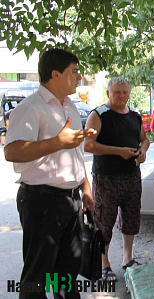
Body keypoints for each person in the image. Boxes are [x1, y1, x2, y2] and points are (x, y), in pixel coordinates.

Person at [4, 49, 97, 299]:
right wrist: (56, 142)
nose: (79, 77)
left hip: (71, 200)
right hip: (41, 202)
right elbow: (11, 151)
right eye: (74, 72)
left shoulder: (71, 108)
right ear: (55, 74)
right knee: (37, 275)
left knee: (65, 275)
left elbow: (75, 153)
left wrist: (85, 189)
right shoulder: (30, 108)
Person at [84, 77, 150, 282]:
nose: (121, 96)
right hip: (106, 179)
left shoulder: (135, 115)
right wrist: (117, 152)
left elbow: (144, 139)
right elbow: (88, 145)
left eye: (125, 92)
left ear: (129, 93)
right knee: (104, 222)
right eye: (117, 92)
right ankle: (104, 264)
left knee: (131, 219)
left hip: (131, 176)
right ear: (108, 94)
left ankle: (127, 258)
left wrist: (143, 151)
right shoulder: (98, 114)